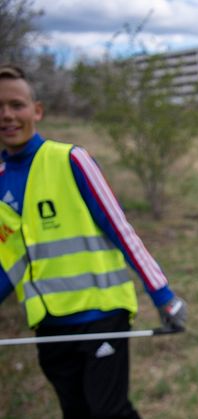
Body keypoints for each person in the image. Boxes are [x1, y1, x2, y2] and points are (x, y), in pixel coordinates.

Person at [0, 64, 187, 418]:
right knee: (77, 412)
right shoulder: (0, 181)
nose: (7, 115)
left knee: (110, 412)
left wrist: (163, 296)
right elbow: (8, 265)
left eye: (16, 105)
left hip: (101, 314)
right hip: (49, 325)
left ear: (36, 110)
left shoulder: (72, 159)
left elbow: (121, 230)